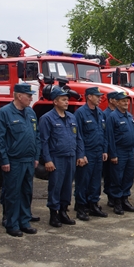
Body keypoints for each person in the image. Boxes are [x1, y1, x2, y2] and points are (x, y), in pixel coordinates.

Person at [0, 83, 40, 237]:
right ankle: (12, 223)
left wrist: (36, 157)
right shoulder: (5, 113)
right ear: (19, 96)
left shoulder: (31, 113)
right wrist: (4, 160)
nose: (31, 98)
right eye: (28, 95)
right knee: (12, 193)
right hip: (13, 160)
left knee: (26, 192)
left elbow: (36, 136)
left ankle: (24, 221)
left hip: (28, 160)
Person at [39, 87, 86, 227]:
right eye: (63, 100)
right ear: (55, 101)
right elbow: (44, 141)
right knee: (55, 186)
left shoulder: (71, 117)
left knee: (67, 186)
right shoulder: (47, 118)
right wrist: (47, 159)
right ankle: (54, 214)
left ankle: (64, 211)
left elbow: (78, 138)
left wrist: (80, 154)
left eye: (67, 99)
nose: (67, 102)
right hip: (56, 158)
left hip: (70, 157)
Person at [74, 87, 109, 221]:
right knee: (83, 181)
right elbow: (79, 136)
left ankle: (93, 204)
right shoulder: (80, 113)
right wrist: (81, 154)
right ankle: (81, 207)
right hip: (87, 152)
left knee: (95, 181)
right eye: (97, 96)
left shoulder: (100, 113)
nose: (100, 98)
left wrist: (104, 150)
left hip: (98, 151)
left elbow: (103, 133)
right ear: (89, 97)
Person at [106, 92, 134, 215]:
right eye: (123, 101)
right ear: (117, 102)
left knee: (128, 177)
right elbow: (110, 138)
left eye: (127, 101)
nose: (126, 103)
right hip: (119, 152)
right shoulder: (113, 117)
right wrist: (113, 154)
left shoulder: (129, 116)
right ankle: (117, 202)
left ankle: (125, 199)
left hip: (130, 151)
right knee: (117, 178)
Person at [103, 91, 119, 207]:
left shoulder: (119, 114)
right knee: (109, 174)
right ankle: (110, 197)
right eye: (116, 99)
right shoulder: (105, 114)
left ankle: (116, 195)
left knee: (117, 175)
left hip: (118, 149)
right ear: (111, 100)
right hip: (109, 149)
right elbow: (106, 134)